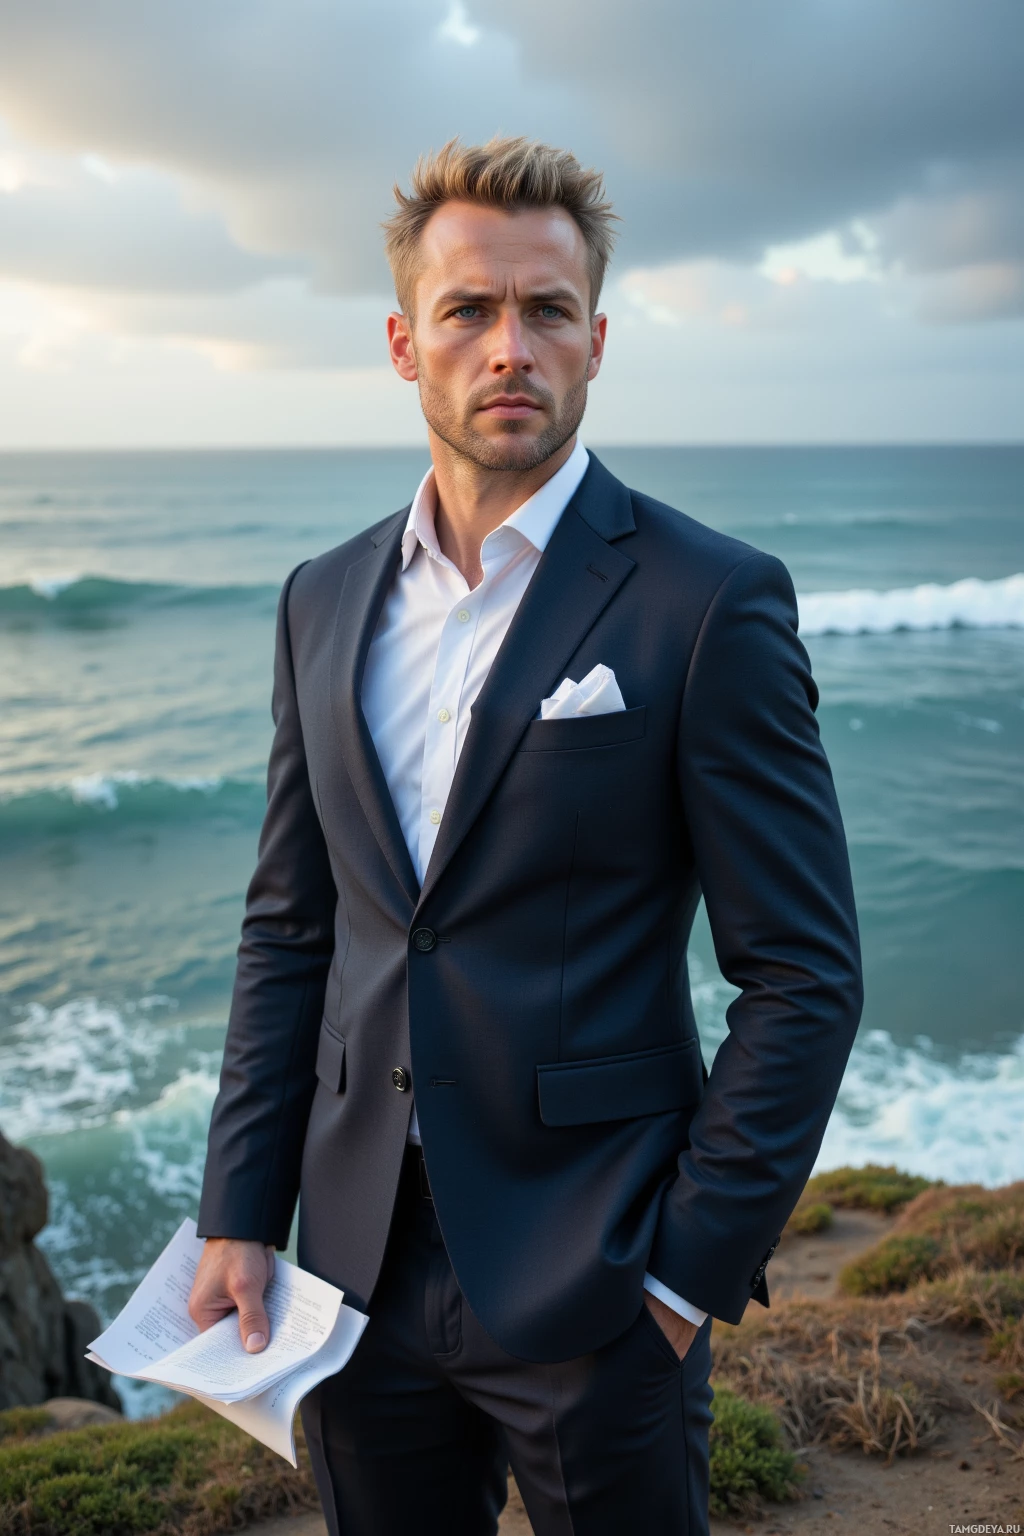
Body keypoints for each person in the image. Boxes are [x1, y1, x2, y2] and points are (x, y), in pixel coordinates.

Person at [190, 136, 862, 1535]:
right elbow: (293, 929)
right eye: (469, 310)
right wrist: (240, 1208)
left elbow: (804, 973)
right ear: (404, 344)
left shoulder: (709, 600)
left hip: (597, 1275)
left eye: (548, 310)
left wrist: (680, 1279)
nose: (510, 346)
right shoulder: (320, 600)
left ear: (596, 340)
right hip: (353, 1272)